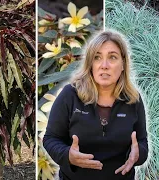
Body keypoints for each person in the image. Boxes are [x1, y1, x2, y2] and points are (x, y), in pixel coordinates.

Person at [43, 30, 148, 180]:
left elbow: (142, 141)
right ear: (90, 64)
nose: (104, 65)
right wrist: (68, 156)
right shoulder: (70, 95)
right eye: (97, 57)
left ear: (123, 64)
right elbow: (51, 138)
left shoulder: (133, 99)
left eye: (112, 57)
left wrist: (138, 155)